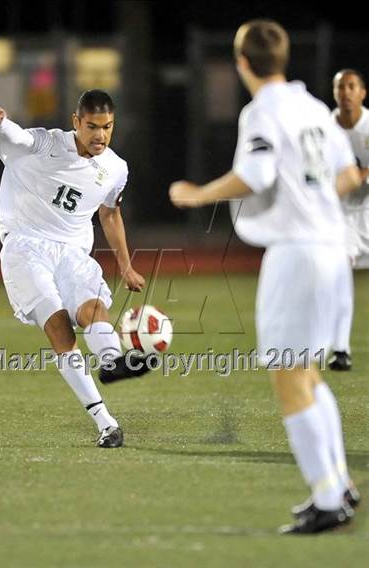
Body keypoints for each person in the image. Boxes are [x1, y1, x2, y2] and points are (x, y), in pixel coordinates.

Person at [169, 20, 361, 534]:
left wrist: (198, 193)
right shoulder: (314, 108)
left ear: (243, 63)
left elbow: (255, 175)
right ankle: (337, 483)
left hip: (296, 254)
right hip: (332, 250)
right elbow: (346, 176)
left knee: (286, 374)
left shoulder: (264, 110)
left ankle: (327, 499)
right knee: (308, 373)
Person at [0, 89, 152, 449]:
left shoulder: (115, 168)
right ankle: (105, 422)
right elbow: (17, 137)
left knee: (92, 308)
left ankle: (113, 363)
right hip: (26, 246)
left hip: (73, 251)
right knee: (60, 327)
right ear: (76, 122)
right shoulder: (46, 144)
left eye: (107, 127)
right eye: (92, 126)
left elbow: (110, 213)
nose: (100, 136)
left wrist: (125, 265)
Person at [328, 69, 369, 371]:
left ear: (362, 93)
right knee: (340, 273)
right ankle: (340, 350)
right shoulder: (324, 128)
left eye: (352, 86)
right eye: (341, 87)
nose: (346, 92)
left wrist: (358, 177)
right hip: (342, 217)